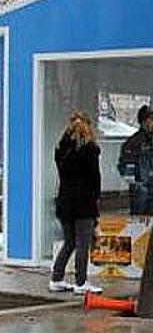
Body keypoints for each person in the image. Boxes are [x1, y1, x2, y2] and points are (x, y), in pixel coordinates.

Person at [50, 111, 103, 295]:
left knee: (70, 242)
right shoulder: (90, 151)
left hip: (65, 203)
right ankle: (81, 282)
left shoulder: (62, 151)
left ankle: (56, 278)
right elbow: (95, 180)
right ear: (88, 127)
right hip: (84, 204)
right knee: (82, 243)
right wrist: (97, 205)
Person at [118, 105, 153, 215]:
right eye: (152, 120)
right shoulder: (134, 142)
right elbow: (124, 166)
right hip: (140, 188)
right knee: (138, 219)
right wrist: (136, 181)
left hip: (152, 186)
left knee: (151, 219)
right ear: (144, 121)